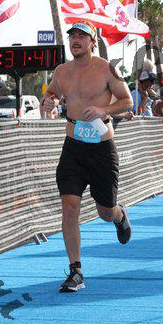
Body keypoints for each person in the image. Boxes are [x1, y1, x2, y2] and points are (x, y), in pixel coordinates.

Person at [41, 21, 133, 293]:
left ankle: (119, 215)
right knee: (70, 207)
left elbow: (127, 101)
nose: (76, 40)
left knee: (105, 211)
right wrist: (49, 101)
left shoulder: (107, 69)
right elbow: (51, 93)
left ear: (93, 42)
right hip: (72, 148)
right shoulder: (62, 71)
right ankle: (76, 271)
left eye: (82, 36)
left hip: (102, 150)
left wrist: (104, 109)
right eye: (73, 36)